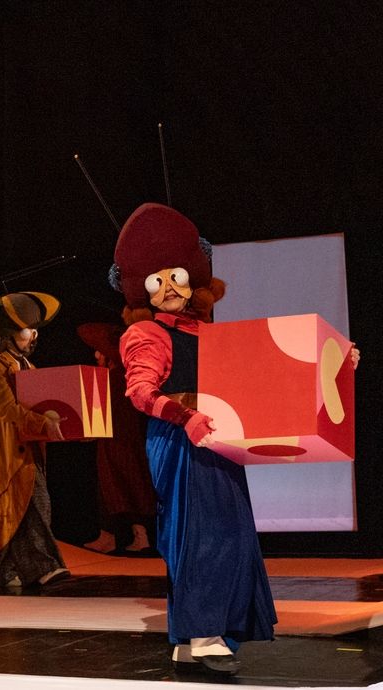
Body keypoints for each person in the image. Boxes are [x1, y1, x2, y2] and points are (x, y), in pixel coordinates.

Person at [113, 203, 277, 674]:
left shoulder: (206, 331)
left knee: (229, 532)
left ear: (192, 279)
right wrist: (184, 417)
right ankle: (205, 634)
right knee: (203, 533)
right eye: (156, 280)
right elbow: (140, 392)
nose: (167, 287)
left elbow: (263, 373)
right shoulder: (146, 333)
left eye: (176, 276)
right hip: (181, 442)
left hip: (218, 440)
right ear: (142, 289)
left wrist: (332, 362)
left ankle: (190, 638)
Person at [0, 291, 70, 591]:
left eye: (34, 329)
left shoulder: (27, 365)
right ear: (8, 332)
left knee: (27, 508)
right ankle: (45, 567)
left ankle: (4, 572)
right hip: (10, 449)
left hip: (31, 447)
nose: (33, 335)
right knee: (24, 506)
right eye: (27, 328)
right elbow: (6, 409)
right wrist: (42, 422)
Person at [76, 322, 155, 554]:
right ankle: (133, 536)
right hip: (127, 440)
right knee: (129, 486)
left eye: (99, 351)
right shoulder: (124, 376)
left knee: (117, 488)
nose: (96, 355)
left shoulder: (113, 378)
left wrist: (89, 432)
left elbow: (102, 411)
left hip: (117, 441)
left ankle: (115, 537)